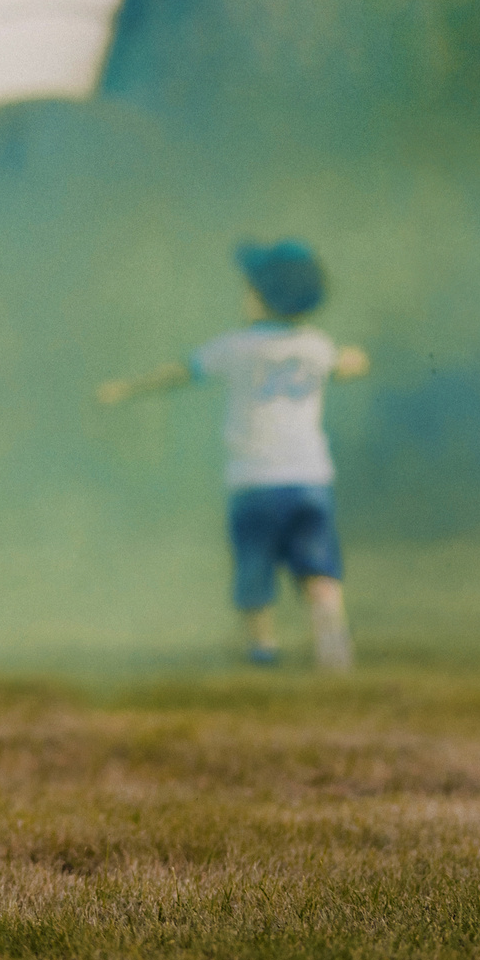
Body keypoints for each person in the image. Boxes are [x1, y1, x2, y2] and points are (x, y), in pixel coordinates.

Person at [97, 239, 368, 671]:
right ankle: (332, 648)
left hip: (254, 481)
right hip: (309, 480)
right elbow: (348, 365)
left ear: (262, 297)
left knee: (254, 569)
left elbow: (182, 373)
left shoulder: (236, 347)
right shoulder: (315, 345)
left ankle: (262, 650)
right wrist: (357, 360)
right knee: (319, 569)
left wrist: (126, 389)